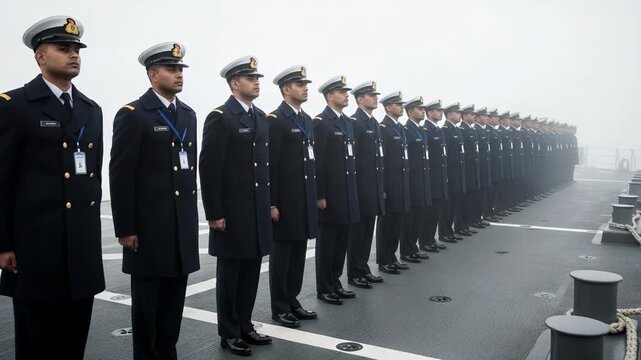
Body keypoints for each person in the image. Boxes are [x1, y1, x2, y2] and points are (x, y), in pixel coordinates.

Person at [0, 16, 105, 359]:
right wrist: (3, 244)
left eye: (76, 49)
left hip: (81, 249)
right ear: (40, 57)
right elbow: (2, 180)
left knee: (74, 344)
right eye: (64, 48)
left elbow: (92, 179)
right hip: (36, 250)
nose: (74, 55)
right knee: (37, 345)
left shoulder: (91, 110)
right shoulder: (14, 106)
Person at [109, 42, 200, 359]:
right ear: (152, 74)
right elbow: (121, 175)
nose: (178, 75)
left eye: (180, 70)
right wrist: (126, 228)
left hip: (180, 230)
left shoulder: (188, 115)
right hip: (148, 231)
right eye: (171, 69)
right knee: (147, 312)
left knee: (173, 308)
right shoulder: (134, 115)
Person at [199, 56, 273, 356]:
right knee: (230, 276)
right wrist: (214, 213)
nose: (256, 82)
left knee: (251, 272)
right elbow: (209, 168)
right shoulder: (221, 117)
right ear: (234, 84)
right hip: (231, 213)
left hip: (255, 211)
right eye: (249, 78)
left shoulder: (260, 117)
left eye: (257, 78)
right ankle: (228, 333)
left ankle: (244, 325)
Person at [267, 65, 318, 328]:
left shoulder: (306, 120)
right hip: (285, 203)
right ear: (287, 89)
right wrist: (272, 202)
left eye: (306, 84)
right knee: (283, 256)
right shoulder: (275, 120)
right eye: (300, 84)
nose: (306, 88)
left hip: (304, 200)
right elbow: (270, 165)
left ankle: (292, 300)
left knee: (298, 253)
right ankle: (280, 306)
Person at [313, 75, 360, 304]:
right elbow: (318, 162)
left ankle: (335, 282)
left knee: (341, 242)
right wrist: (320, 194)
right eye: (342, 92)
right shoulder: (321, 122)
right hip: (330, 197)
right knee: (328, 244)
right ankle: (324, 287)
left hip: (346, 195)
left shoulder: (347, 123)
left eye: (346, 92)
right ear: (330, 95)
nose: (346, 95)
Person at [347, 81, 385, 288]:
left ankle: (363, 269)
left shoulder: (373, 123)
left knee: (367, 231)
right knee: (357, 233)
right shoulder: (355, 122)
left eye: (375, 95)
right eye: (371, 95)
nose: (375, 98)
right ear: (360, 99)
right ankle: (354, 273)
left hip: (373, 188)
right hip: (361, 188)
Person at [376, 91, 410, 274]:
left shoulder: (400, 129)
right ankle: (383, 260)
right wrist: (383, 187)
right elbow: (382, 162)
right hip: (390, 184)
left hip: (401, 184)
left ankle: (392, 256)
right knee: (387, 223)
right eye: (398, 104)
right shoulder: (383, 128)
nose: (401, 107)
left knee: (397, 222)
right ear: (388, 107)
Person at [400, 96, 431, 263]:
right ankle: (406, 250)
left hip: (422, 180)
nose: (423, 111)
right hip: (411, 181)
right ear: (410, 112)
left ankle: (413, 247)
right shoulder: (406, 130)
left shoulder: (421, 130)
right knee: (409, 218)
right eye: (419, 109)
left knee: (418, 215)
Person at [419, 100, 448, 252]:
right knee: (428, 212)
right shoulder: (426, 129)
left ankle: (430, 239)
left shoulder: (438, 130)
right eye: (438, 110)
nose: (441, 112)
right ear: (430, 113)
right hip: (431, 177)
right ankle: (425, 241)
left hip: (439, 177)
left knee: (436, 210)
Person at [439, 103, 466, 243]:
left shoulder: (456, 130)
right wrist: (446, 176)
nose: (460, 115)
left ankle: (450, 230)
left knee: (454, 203)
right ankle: (445, 232)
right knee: (447, 205)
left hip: (457, 174)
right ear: (449, 114)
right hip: (450, 174)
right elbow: (445, 155)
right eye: (457, 112)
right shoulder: (446, 130)